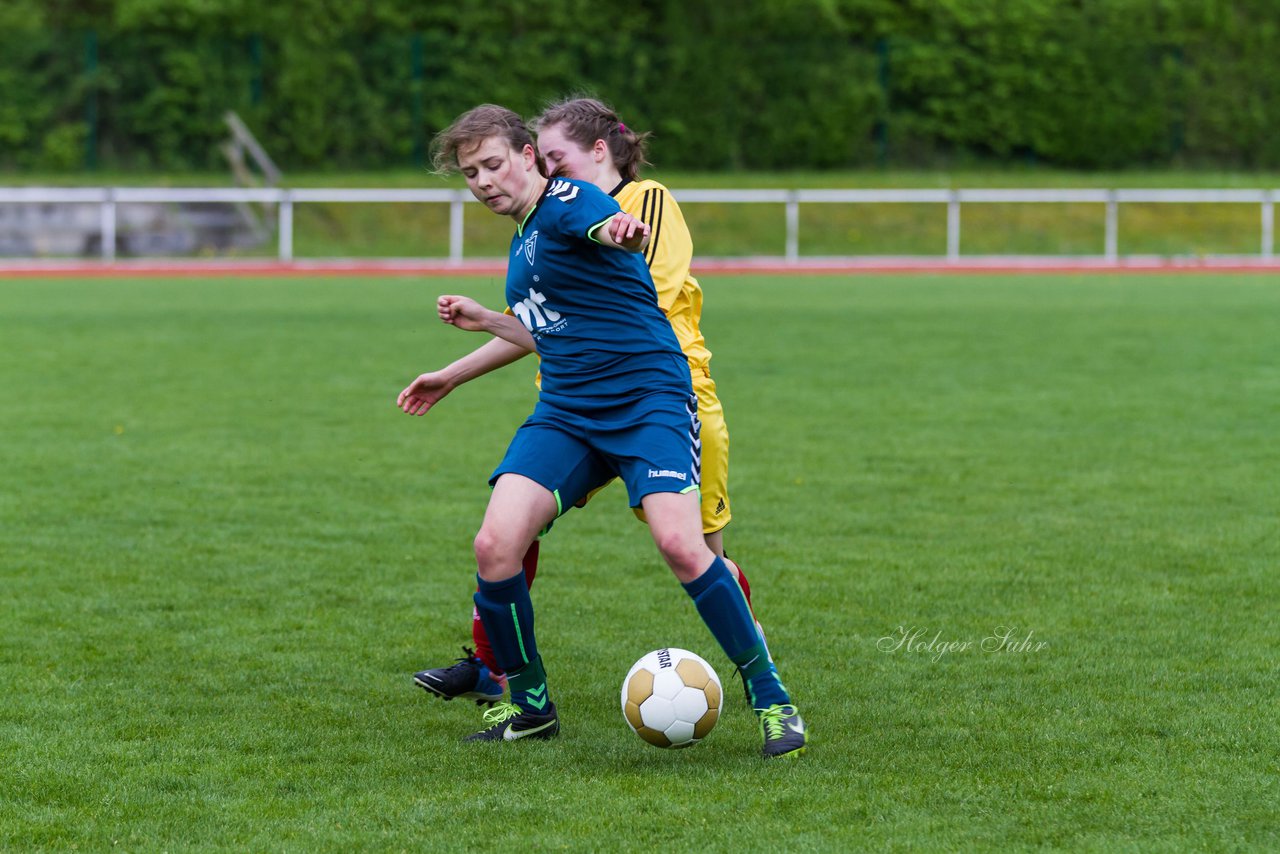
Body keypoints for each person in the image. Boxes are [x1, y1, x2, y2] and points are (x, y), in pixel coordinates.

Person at [397, 104, 806, 757]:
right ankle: (530, 707)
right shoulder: (525, 239)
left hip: (648, 401)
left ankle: (772, 699)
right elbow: (545, 330)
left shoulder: (566, 202)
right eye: (471, 172)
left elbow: (602, 222)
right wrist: (466, 351)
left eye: (493, 164)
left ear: (528, 156)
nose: (482, 181)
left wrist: (620, 229)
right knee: (495, 546)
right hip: (568, 411)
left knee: (681, 544)